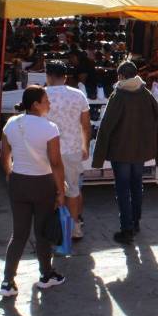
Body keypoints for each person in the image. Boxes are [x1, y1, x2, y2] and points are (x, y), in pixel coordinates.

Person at [0, 86, 66, 297]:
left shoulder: (11, 123)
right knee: (42, 232)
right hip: (42, 183)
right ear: (36, 104)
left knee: (19, 234)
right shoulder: (49, 128)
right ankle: (46, 274)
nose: (49, 104)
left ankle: (7, 281)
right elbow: (56, 162)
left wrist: (9, 173)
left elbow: (4, 153)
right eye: (46, 100)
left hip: (18, 181)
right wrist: (61, 190)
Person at [92, 61, 158, 244]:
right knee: (136, 185)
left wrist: (98, 156)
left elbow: (106, 126)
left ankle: (127, 229)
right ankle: (135, 221)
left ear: (121, 76)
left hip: (120, 151)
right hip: (140, 150)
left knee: (123, 189)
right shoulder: (146, 95)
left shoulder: (118, 96)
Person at [44, 60, 91, 239]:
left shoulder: (41, 95)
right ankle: (75, 227)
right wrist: (85, 146)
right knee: (73, 189)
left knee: (48, 190)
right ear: (65, 76)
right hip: (72, 149)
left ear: (48, 76)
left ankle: (50, 227)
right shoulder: (78, 95)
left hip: (47, 150)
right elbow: (86, 125)